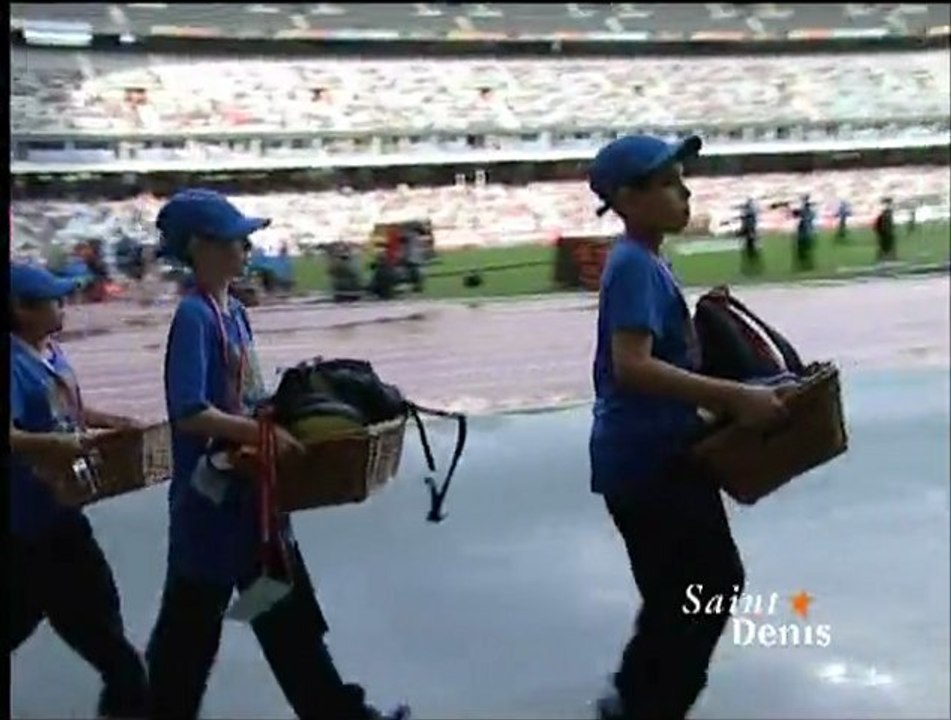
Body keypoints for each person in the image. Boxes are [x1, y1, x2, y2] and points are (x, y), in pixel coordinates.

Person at [145, 188, 410, 720]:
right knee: (188, 640)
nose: (247, 249)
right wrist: (259, 433)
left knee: (289, 626)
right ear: (200, 246)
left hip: (254, 500)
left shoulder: (234, 313)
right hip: (211, 507)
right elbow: (190, 412)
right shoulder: (194, 318)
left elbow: (246, 396)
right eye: (237, 240)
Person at [586, 135, 788, 720]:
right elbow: (633, 366)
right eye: (669, 182)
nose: (685, 190)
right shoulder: (632, 266)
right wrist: (735, 397)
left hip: (650, 455)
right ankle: (651, 705)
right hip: (649, 460)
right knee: (709, 585)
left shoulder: (645, 261)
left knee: (678, 594)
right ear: (628, 198)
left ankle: (634, 699)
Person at [9, 263, 149, 718]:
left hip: (58, 509)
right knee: (106, 637)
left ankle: (124, 694)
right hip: (30, 520)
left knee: (56, 613)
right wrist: (53, 444)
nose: (63, 305)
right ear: (21, 310)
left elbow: (68, 409)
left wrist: (111, 422)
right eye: (53, 299)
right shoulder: (11, 363)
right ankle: (126, 700)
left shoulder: (49, 353)